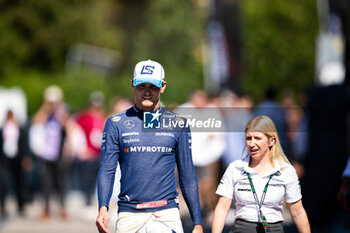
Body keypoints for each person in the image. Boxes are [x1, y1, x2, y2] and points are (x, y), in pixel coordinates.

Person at [96, 59, 203, 233]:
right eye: (141, 86)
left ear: (163, 86)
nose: (147, 92)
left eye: (152, 86)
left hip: (166, 214)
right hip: (129, 215)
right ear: (132, 85)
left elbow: (187, 174)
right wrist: (103, 208)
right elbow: (107, 169)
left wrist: (197, 223)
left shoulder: (178, 124)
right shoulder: (116, 123)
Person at [212, 115, 310, 233]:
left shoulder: (286, 170)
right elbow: (222, 207)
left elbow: (297, 212)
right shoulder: (235, 168)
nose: (252, 143)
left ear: (271, 141)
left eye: (257, 138)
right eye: (248, 138)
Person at [29, 85, 70, 220]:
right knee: (46, 184)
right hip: (46, 154)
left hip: (58, 154)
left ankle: (62, 208)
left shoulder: (61, 113)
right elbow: (36, 121)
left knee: (60, 183)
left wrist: (59, 109)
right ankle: (46, 209)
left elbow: (66, 125)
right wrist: (46, 108)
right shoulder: (44, 114)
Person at [75, 91, 106, 206]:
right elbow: (76, 132)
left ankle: (93, 197)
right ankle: (87, 199)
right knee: (86, 178)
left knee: (97, 178)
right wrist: (81, 149)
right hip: (88, 153)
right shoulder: (84, 117)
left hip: (100, 153)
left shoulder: (104, 117)